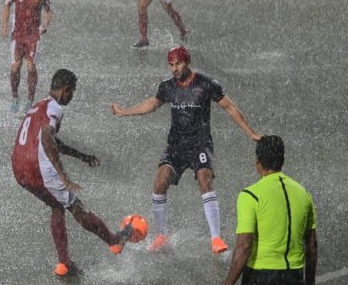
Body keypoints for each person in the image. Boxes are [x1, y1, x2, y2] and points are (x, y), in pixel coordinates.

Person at [111, 46, 261, 253]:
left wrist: (251, 133)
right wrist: (124, 112)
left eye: (178, 64)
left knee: (204, 180)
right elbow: (151, 104)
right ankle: (161, 236)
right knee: (160, 182)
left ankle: (216, 238)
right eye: (171, 65)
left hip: (200, 144)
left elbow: (229, 107)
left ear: (187, 62)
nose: (174, 69)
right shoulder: (167, 87)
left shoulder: (206, 84)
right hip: (176, 145)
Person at [12, 68, 133, 277]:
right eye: (72, 92)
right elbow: (47, 137)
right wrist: (63, 176)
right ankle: (115, 241)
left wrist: (82, 156)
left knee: (56, 206)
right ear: (66, 90)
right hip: (37, 167)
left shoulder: (37, 106)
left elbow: (51, 141)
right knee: (76, 207)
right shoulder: (55, 108)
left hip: (18, 167)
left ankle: (64, 264)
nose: (72, 97)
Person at [220, 135, 318, 285]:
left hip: (260, 280)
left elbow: (244, 247)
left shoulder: (250, 195)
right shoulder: (303, 193)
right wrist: (309, 283)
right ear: (282, 160)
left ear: (258, 162)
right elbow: (312, 245)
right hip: (293, 279)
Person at [1, 0, 53, 115]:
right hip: (17, 35)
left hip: (33, 36)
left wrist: (45, 24)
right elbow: (6, 6)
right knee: (15, 67)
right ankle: (15, 97)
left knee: (31, 68)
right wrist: (4, 25)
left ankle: (30, 100)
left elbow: (48, 11)